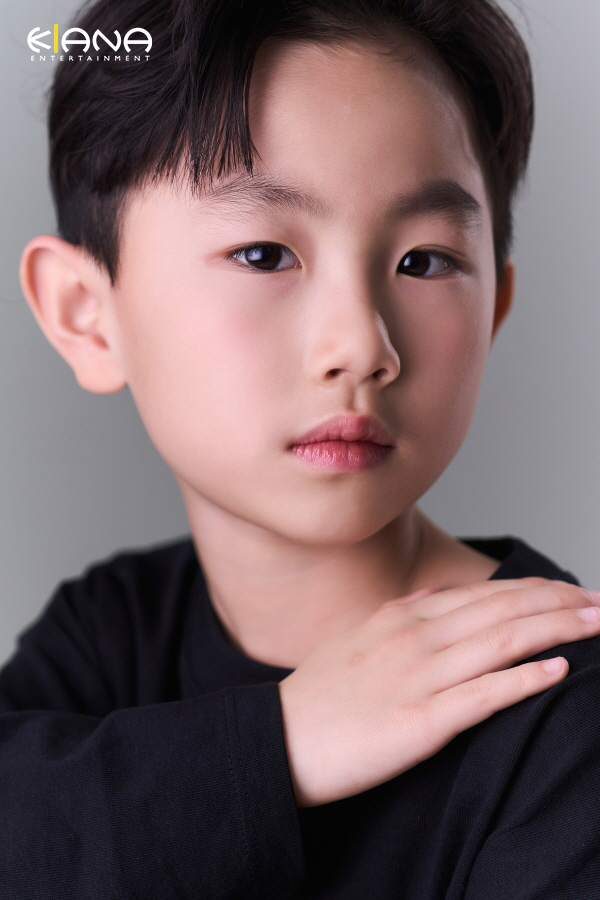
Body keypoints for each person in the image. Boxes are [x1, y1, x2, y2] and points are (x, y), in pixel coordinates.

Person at [4, 0, 600, 896]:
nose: (361, 347)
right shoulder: (113, 628)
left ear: (494, 311)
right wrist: (278, 744)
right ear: (86, 316)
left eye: (425, 261)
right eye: (263, 255)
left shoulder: (565, 713)